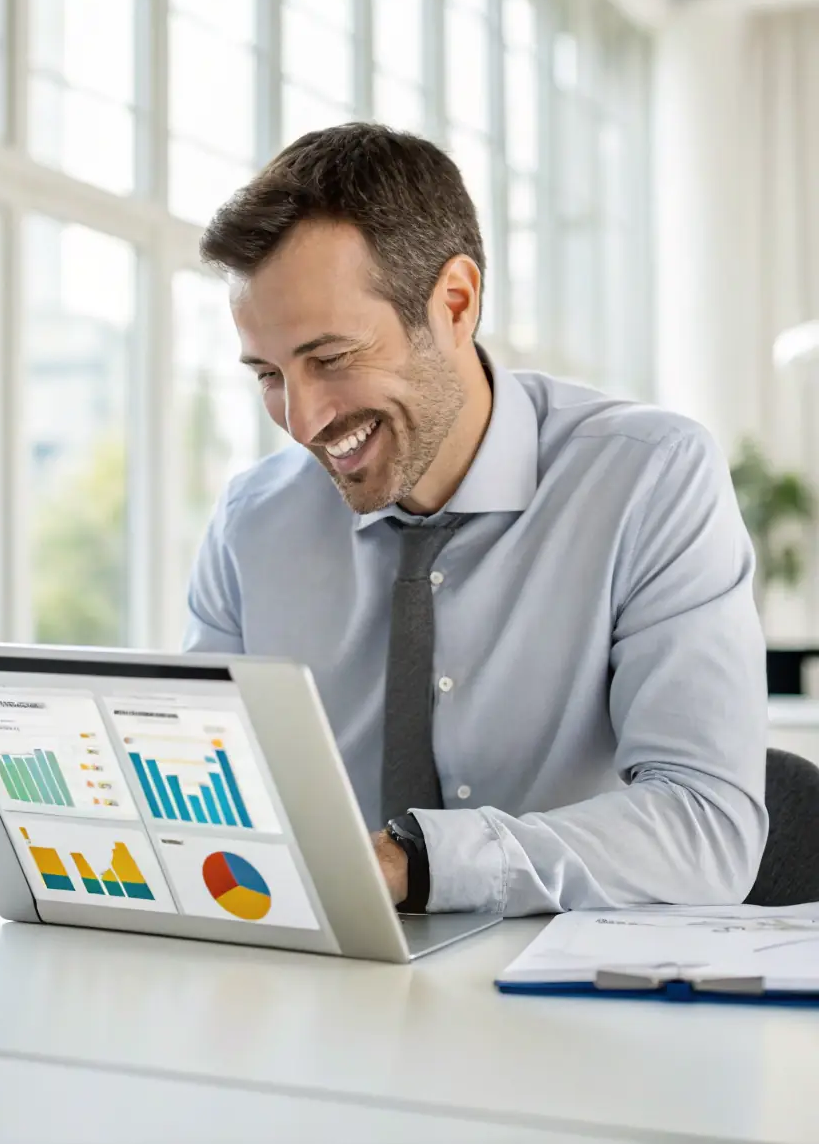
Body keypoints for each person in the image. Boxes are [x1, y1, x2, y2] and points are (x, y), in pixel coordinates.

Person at [183, 122, 768, 918]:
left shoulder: (648, 478)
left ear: (454, 302)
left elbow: (708, 825)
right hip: (324, 1001)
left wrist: (414, 865)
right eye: (269, 374)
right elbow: (197, 796)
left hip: (575, 1006)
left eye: (331, 358)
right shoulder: (252, 525)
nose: (303, 417)